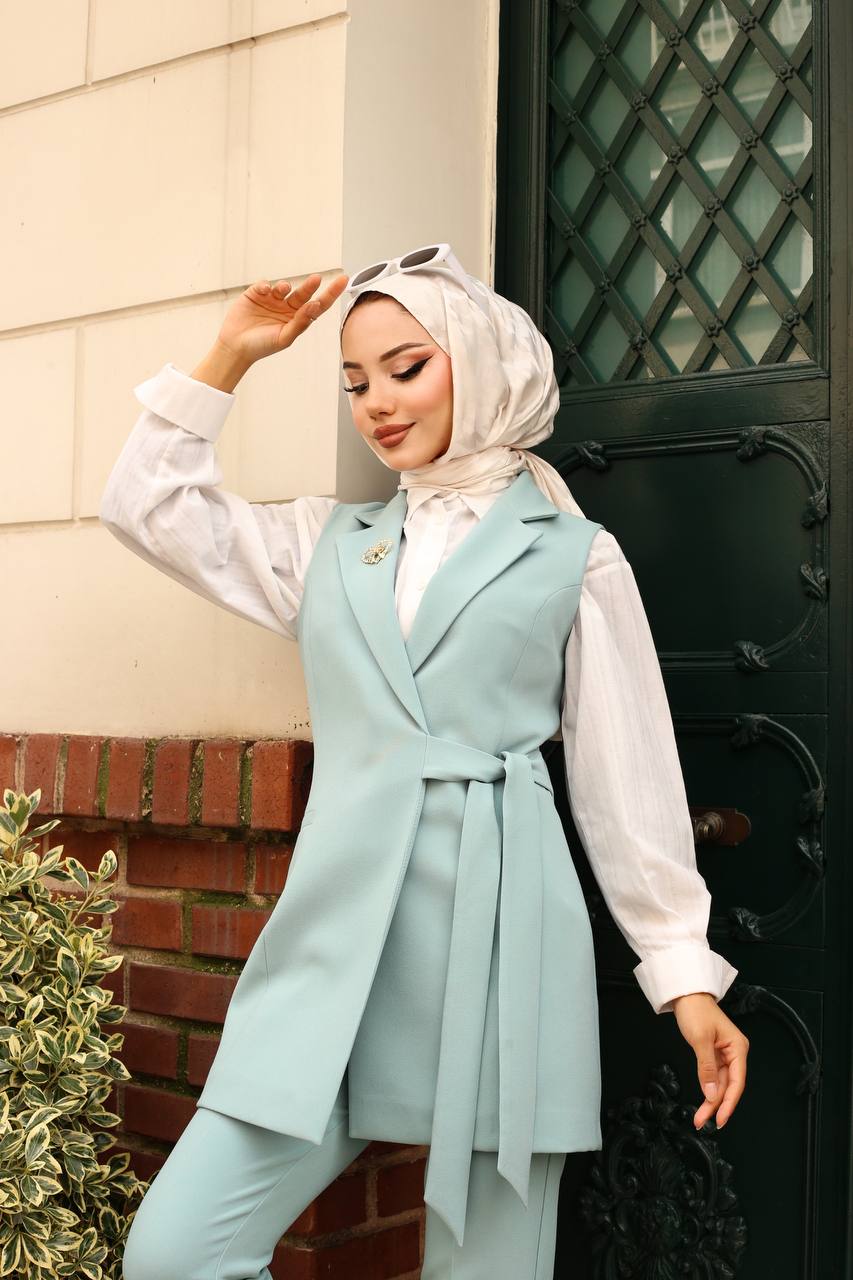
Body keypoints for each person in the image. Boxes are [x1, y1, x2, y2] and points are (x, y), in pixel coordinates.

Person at [100, 247, 749, 1280]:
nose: (377, 403)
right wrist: (231, 351)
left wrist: (684, 979)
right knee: (174, 1252)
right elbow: (148, 506)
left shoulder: (574, 554)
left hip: (501, 944)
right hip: (333, 954)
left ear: (481, 364)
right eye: (354, 381)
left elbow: (624, 777)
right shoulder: (327, 541)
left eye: (406, 367)